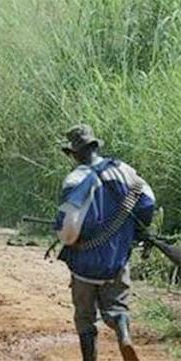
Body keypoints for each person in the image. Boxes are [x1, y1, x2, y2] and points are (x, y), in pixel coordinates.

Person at [54, 124, 155, 361]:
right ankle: (124, 335)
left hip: (85, 263)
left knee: (85, 316)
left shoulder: (75, 179)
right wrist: (137, 232)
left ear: (74, 153)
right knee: (117, 307)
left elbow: (68, 230)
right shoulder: (123, 169)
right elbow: (147, 201)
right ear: (94, 147)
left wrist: (68, 240)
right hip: (117, 259)